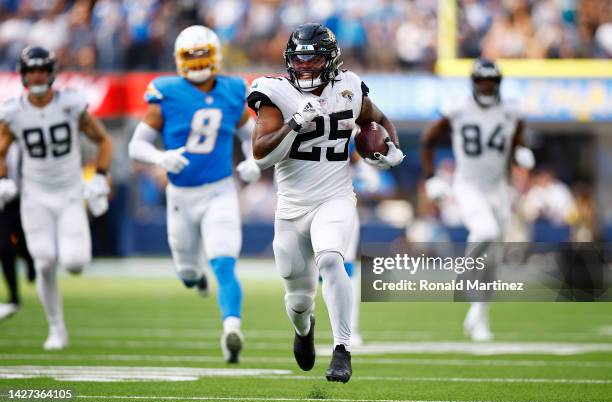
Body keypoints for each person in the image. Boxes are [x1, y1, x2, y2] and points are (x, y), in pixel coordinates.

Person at [248, 23, 404, 382]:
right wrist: (293, 124)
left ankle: (342, 349)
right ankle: (304, 330)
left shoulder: (349, 87)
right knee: (299, 300)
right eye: (299, 59)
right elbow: (260, 155)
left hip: (335, 197)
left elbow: (378, 119)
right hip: (290, 209)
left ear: (330, 60)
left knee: (333, 259)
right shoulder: (275, 92)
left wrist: (392, 149)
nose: (305, 66)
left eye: (313, 58)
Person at [128, 25, 261, 364]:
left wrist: (252, 161)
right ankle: (195, 276)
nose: (199, 61)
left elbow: (252, 135)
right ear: (179, 60)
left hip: (220, 191)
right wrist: (160, 157)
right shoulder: (166, 92)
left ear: (215, 56)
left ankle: (232, 327)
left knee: (225, 261)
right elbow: (136, 145)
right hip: (180, 196)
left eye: (204, 54)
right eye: (192, 55)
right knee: (187, 273)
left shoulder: (233, 90)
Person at [0, 46, 113, 350]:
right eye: (31, 70)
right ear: (23, 75)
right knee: (44, 260)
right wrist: (2, 181)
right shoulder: (12, 112)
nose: (36, 75)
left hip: (69, 193)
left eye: (41, 70)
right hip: (34, 196)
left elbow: (103, 141)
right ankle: (56, 329)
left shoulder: (71, 104)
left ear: (50, 73)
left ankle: (69, 265)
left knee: (75, 263)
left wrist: (100, 176)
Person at [420, 58, 535, 341]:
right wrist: (432, 177)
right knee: (485, 231)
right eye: (481, 81)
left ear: (498, 84)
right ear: (473, 83)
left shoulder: (511, 110)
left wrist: (521, 151)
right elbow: (428, 139)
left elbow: (518, 139)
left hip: (499, 188)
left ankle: (479, 317)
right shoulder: (458, 107)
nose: (486, 87)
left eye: (491, 82)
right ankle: (462, 274)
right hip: (468, 184)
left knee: (493, 259)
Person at [0, 144, 35, 320]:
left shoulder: (25, 140)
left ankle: (31, 261)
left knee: (25, 242)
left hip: (28, 201)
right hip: (5, 204)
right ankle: (14, 296)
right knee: (5, 248)